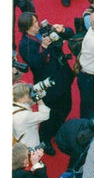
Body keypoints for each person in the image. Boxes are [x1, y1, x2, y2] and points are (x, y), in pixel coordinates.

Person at [17, 12, 75, 156]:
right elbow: (36, 64)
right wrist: (43, 47)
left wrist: (62, 30)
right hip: (48, 84)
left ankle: (58, 128)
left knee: (67, 106)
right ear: (27, 28)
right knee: (50, 115)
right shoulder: (25, 45)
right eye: (34, 23)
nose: (38, 24)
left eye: (36, 21)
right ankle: (45, 139)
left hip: (63, 75)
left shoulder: (44, 30)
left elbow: (69, 34)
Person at [12, 83, 51, 149]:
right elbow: (45, 115)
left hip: (21, 141)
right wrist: (38, 99)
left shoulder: (14, 102)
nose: (30, 95)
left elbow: (27, 103)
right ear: (22, 98)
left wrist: (40, 93)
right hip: (29, 144)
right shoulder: (25, 115)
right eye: (28, 94)